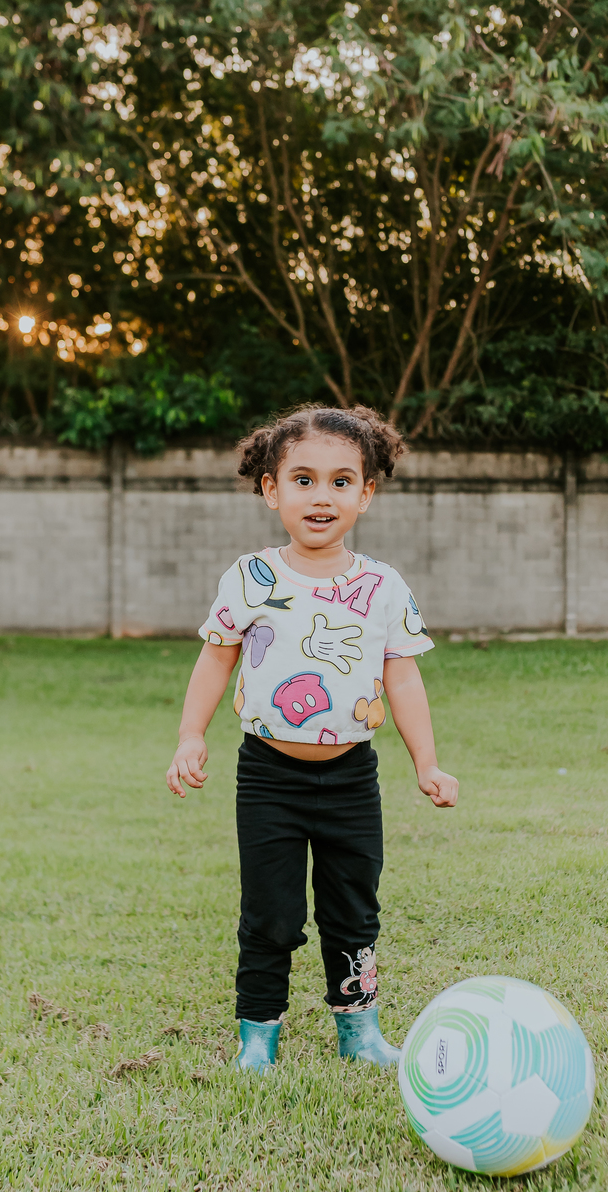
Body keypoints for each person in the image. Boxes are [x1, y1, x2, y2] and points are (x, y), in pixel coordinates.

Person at [166, 404, 459, 1073]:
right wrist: (191, 735)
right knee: (269, 911)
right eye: (302, 479)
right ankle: (257, 1037)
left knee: (353, 908)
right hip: (267, 776)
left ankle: (359, 1031)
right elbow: (216, 657)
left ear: (366, 492)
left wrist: (427, 761)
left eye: (339, 480)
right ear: (271, 490)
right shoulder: (250, 578)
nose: (320, 495)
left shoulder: (383, 586)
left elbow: (403, 678)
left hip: (352, 777)